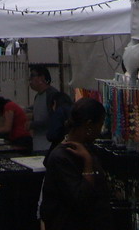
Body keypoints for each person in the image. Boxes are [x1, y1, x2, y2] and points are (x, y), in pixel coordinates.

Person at [40, 97, 112, 230]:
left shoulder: (89, 148)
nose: (100, 131)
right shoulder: (61, 157)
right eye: (100, 125)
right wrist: (88, 164)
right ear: (89, 125)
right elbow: (81, 200)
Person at [28, 64, 62, 152]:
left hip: (48, 146)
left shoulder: (52, 95)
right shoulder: (37, 96)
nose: (30, 80)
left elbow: (54, 120)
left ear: (41, 78)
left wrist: (32, 125)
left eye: (32, 76)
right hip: (37, 145)